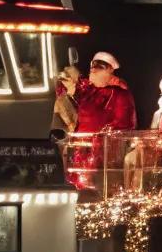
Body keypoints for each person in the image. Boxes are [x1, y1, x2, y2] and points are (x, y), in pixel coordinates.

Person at [58, 51, 136, 190]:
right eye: (93, 65)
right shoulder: (89, 90)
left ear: (110, 69)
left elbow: (125, 121)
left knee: (97, 185)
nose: (93, 68)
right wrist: (68, 82)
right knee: (78, 183)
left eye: (99, 66)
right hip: (80, 146)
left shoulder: (119, 93)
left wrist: (103, 137)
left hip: (103, 151)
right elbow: (67, 90)